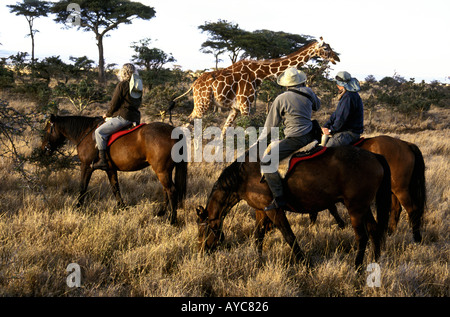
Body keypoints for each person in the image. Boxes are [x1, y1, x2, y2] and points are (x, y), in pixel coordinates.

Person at [260, 67, 321, 211]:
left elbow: (271, 125)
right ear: (301, 81)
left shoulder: (281, 98)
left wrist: (260, 140)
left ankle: (280, 199)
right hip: (312, 135)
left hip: (296, 138)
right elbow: (317, 106)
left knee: (267, 162)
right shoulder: (309, 92)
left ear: (286, 83)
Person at [92, 63, 143, 170]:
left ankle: (102, 161)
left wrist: (108, 114)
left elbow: (114, 103)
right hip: (135, 118)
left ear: (123, 72)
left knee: (99, 132)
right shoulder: (137, 86)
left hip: (123, 117)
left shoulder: (123, 84)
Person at [321, 71, 363, 147]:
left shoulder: (348, 97)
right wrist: (326, 126)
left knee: (327, 150)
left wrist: (331, 130)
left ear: (341, 85)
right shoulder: (348, 94)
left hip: (349, 133)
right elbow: (336, 114)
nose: (337, 85)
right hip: (346, 131)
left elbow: (341, 118)